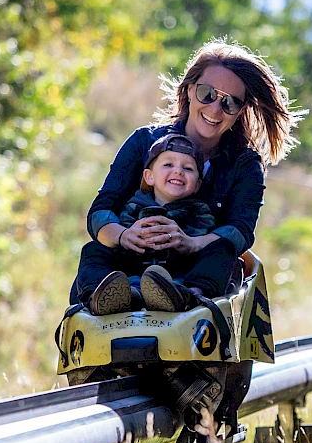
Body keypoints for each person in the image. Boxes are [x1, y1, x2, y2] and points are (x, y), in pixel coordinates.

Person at [71, 37, 302, 316]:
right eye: (207, 93)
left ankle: (185, 297)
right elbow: (101, 211)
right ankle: (104, 297)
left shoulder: (245, 164)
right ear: (190, 90)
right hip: (127, 262)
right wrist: (124, 236)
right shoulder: (143, 141)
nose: (216, 109)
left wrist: (190, 243)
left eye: (230, 103)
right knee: (94, 250)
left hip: (194, 268)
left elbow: (240, 232)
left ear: (241, 110)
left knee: (225, 255)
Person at [90, 133, 217, 314]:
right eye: (168, 165)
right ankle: (98, 297)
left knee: (222, 248)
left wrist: (184, 240)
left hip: (179, 278)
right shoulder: (134, 205)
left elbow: (202, 235)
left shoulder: (199, 211)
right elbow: (123, 234)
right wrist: (129, 236)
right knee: (94, 249)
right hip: (133, 273)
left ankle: (190, 296)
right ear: (149, 177)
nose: (178, 171)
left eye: (188, 168)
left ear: (197, 185)